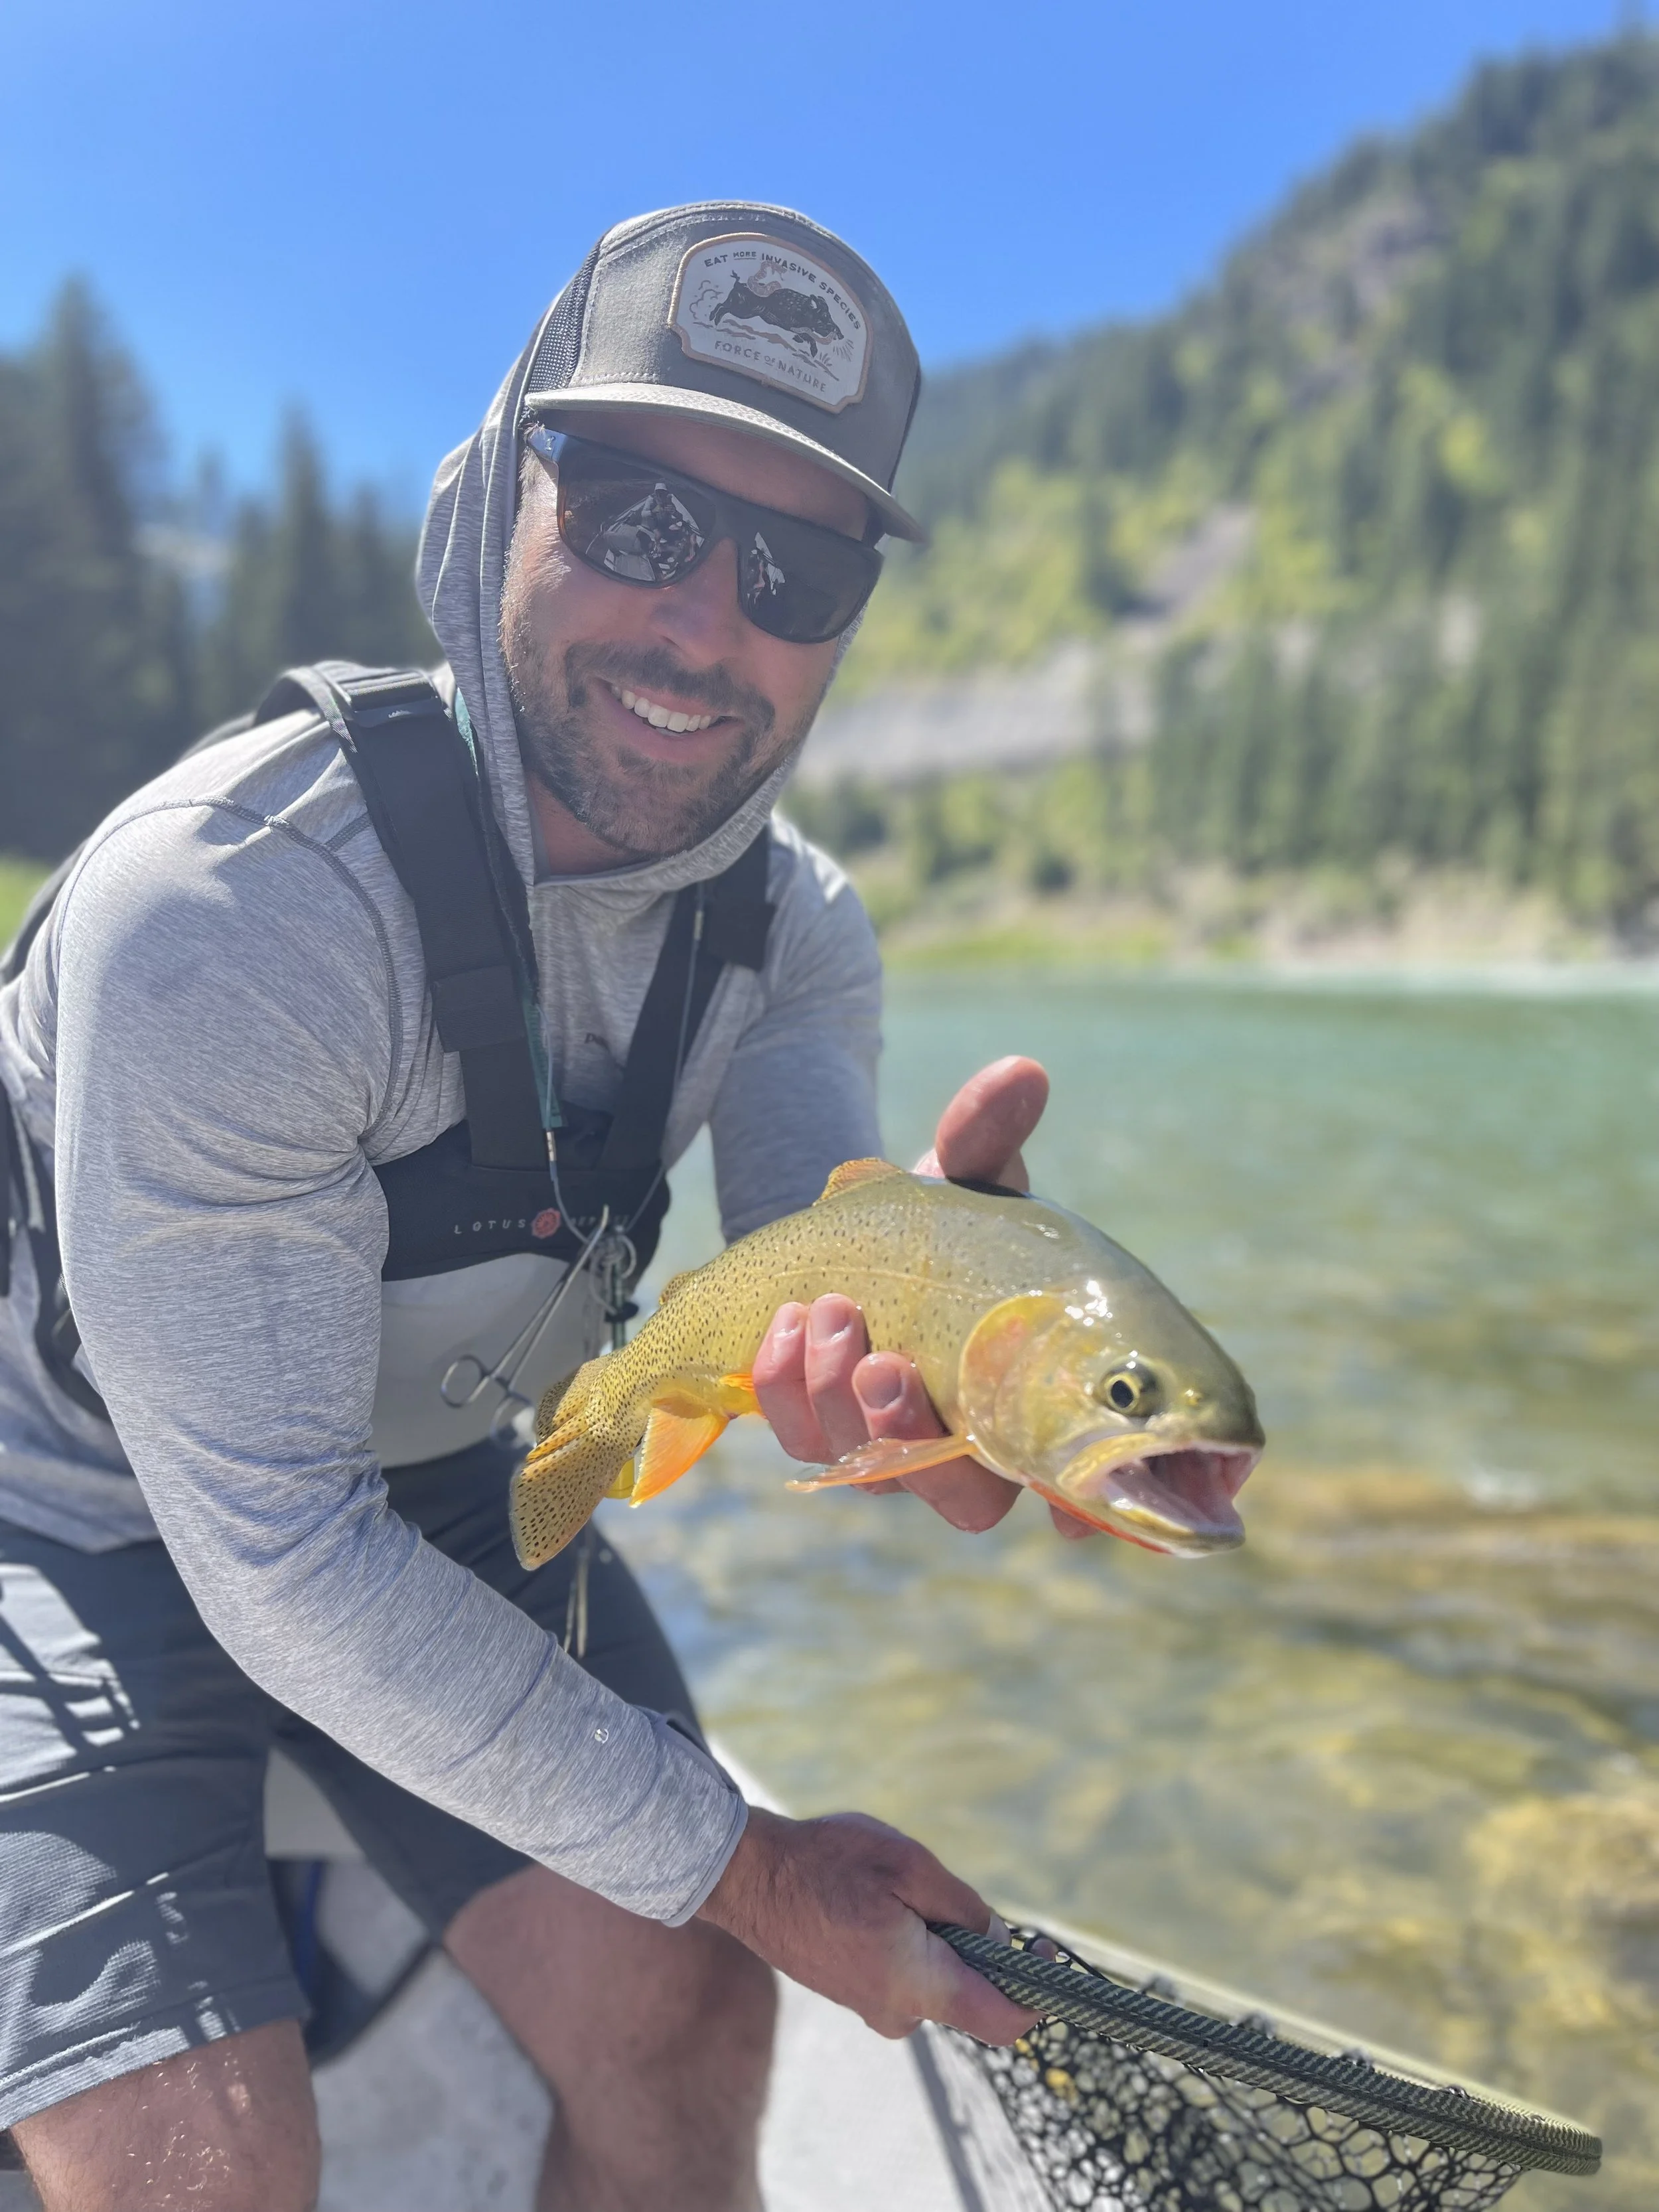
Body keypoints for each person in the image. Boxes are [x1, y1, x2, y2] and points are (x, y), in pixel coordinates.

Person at [0, 201, 1088, 2212]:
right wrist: (752, 1862)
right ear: (504, 491)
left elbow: (812, 1262)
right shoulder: (231, 908)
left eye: (797, 569)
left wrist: (942, 1347)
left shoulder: (798, 935)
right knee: (198, 2172)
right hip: (57, 1514)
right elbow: (279, 1559)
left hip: (426, 1491)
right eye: (643, 518)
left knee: (692, 2007)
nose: (708, 625)